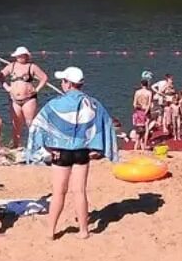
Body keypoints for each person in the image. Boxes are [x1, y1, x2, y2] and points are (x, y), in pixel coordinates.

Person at [27, 66, 119, 240]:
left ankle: (50, 232)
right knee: (80, 192)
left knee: (58, 192)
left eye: (63, 81)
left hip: (61, 152)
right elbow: (105, 123)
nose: (62, 84)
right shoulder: (92, 104)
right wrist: (97, 148)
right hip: (81, 152)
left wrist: (47, 148)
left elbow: (38, 126)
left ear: (68, 84)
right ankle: (84, 231)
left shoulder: (55, 104)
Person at [1, 47, 48, 148]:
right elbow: (0, 76)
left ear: (27, 56)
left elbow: (44, 78)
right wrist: (7, 87)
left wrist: (37, 89)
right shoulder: (11, 66)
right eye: (19, 56)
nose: (20, 58)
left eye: (22, 56)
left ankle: (35, 145)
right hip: (14, 99)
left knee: (30, 123)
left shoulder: (32, 66)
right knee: (16, 124)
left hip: (29, 99)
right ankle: (16, 145)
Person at [132, 80, 153, 151]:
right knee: (146, 128)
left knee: (138, 127)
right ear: (147, 85)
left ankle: (137, 144)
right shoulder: (149, 93)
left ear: (141, 84)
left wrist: (137, 110)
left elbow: (134, 104)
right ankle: (144, 144)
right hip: (145, 110)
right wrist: (146, 112)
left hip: (139, 110)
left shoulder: (137, 92)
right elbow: (149, 104)